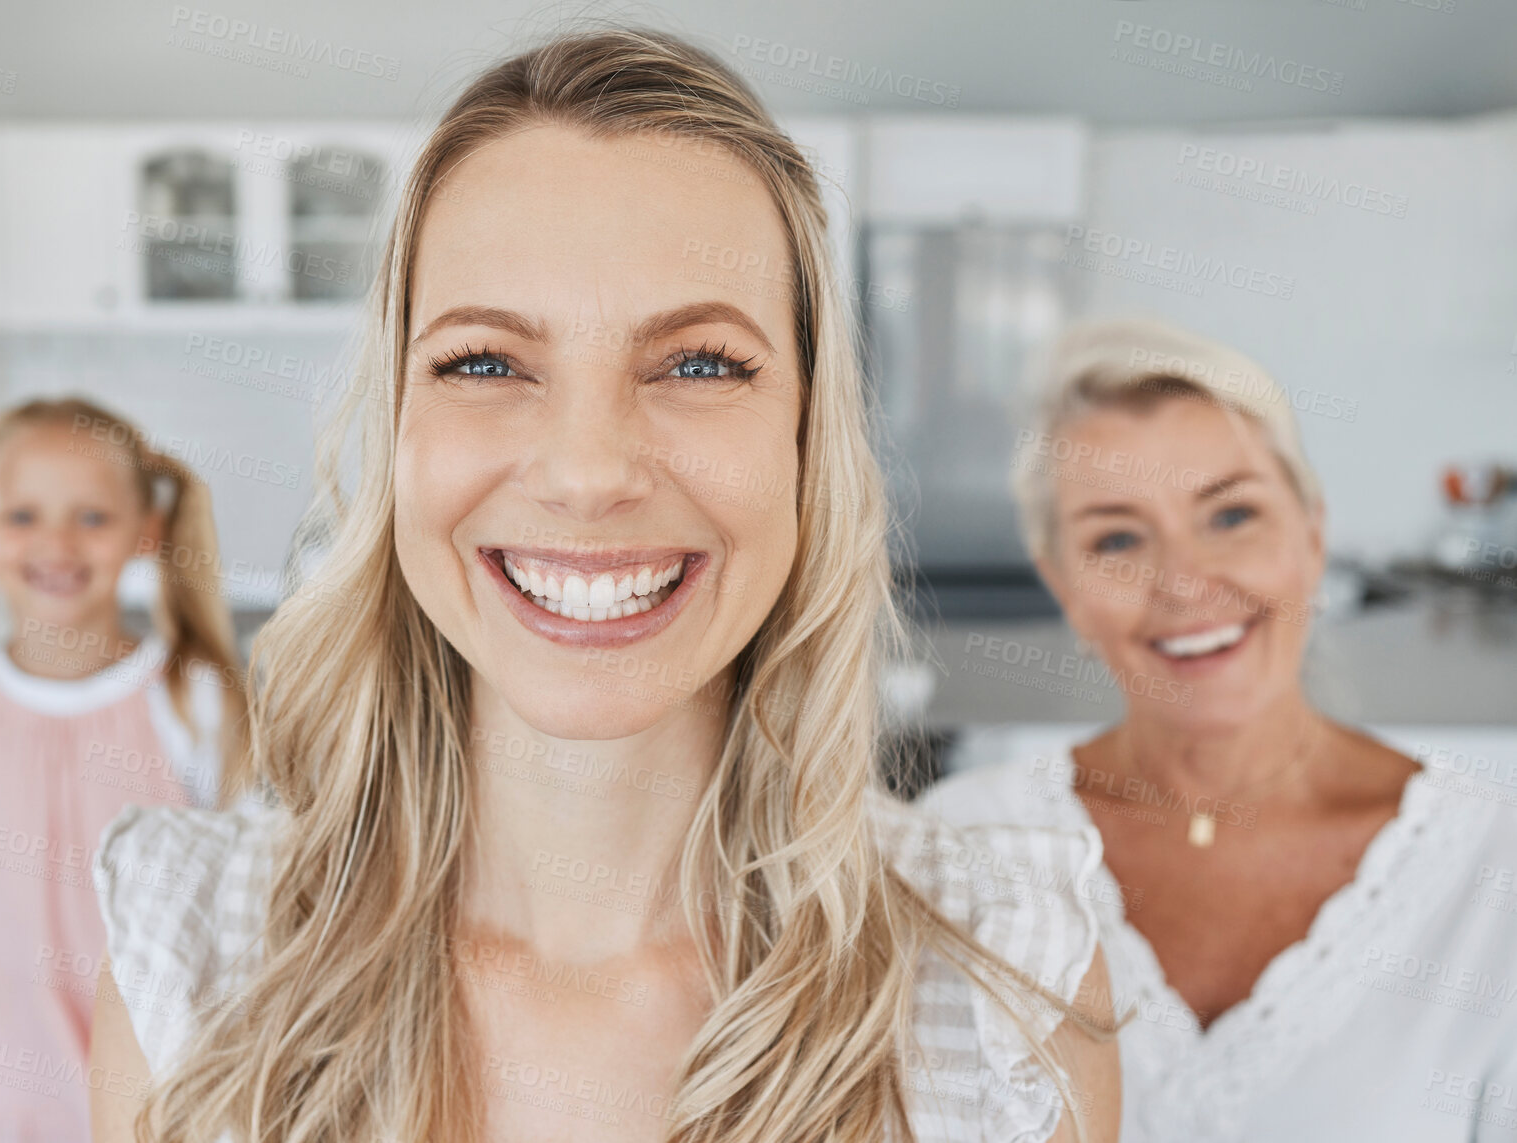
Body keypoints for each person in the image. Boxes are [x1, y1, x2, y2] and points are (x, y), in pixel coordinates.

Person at [89, 28, 1121, 1143]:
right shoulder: (193, 962)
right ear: (397, 427)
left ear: (803, 440)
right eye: (482, 362)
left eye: (698, 364)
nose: (587, 475)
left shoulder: (1003, 994)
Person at [925, 316, 1517, 1142]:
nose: (1185, 581)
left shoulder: (1495, 874)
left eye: (1232, 515)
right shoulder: (956, 850)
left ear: (1312, 536)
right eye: (1119, 537)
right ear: (1065, 585)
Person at [0, 395, 249, 1143]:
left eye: (92, 517)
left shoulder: (193, 702)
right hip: (5, 1058)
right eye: (22, 516)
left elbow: (229, 894)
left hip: (156, 1061)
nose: (57, 542)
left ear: (146, 532)